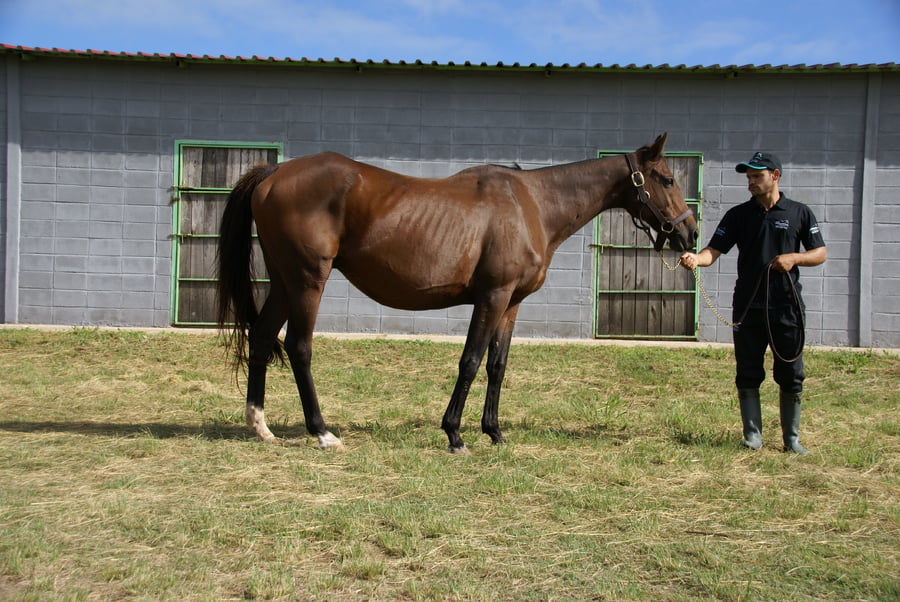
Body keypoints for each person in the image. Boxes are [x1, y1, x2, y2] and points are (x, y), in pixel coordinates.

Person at [680, 152, 827, 454]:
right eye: (748, 177)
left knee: (791, 374)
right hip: (748, 307)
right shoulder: (738, 215)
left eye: (757, 176)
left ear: (775, 176)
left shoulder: (799, 213)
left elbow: (820, 253)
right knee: (748, 372)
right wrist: (696, 259)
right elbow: (713, 251)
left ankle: (791, 440)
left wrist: (794, 258)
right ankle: (752, 437)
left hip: (787, 307)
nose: (751, 182)